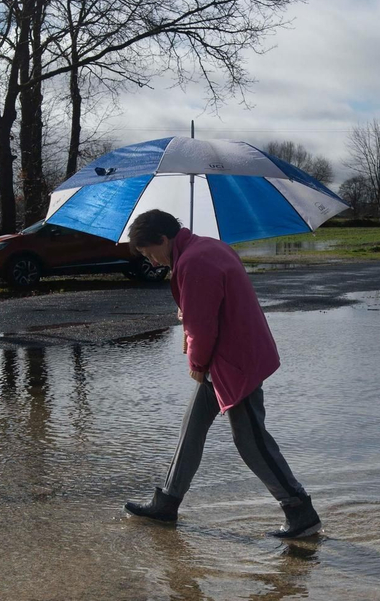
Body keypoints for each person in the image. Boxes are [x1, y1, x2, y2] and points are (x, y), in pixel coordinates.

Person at [122, 209, 320, 540]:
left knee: (250, 440)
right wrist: (189, 311)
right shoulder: (206, 248)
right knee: (193, 426)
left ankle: (300, 511)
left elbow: (202, 327)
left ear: (163, 239)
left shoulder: (193, 262)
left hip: (233, 362)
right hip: (234, 354)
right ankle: (167, 502)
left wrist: (197, 365)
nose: (152, 262)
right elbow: (208, 308)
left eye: (149, 252)